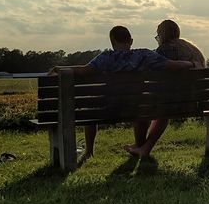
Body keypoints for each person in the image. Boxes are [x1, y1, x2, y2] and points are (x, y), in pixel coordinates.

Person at [51, 25, 193, 164]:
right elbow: (172, 65)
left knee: (90, 112)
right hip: (136, 108)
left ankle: (89, 151)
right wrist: (191, 64)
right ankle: (140, 146)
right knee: (143, 109)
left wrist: (61, 68)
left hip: (109, 109)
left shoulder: (105, 57)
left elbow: (84, 71)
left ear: (112, 41)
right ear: (131, 41)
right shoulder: (144, 55)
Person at [123, 18, 208, 159]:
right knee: (164, 110)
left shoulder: (164, 50)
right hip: (194, 103)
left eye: (158, 35)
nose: (158, 39)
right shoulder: (192, 49)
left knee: (144, 108)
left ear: (162, 35)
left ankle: (141, 146)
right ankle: (143, 148)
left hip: (172, 102)